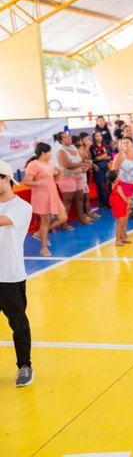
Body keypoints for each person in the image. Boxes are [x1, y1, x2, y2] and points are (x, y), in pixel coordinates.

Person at [0, 160, 34, 387]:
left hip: (10, 276)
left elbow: (2, 222)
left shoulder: (22, 207)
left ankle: (24, 366)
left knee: (18, 324)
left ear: (6, 179)